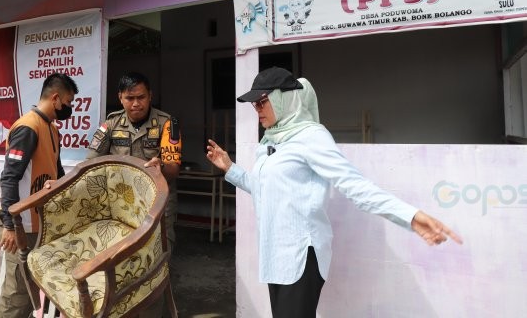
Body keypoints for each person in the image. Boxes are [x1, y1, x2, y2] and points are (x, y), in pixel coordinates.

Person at [205, 66, 462, 318]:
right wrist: (229, 168)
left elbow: (355, 185)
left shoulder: (311, 137)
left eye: (262, 102)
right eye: (254, 104)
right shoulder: (271, 140)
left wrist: (410, 216)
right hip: (275, 255)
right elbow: (266, 191)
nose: (257, 109)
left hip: (301, 255)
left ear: (284, 99)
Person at [86, 71, 181, 317]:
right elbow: (91, 162)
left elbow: (173, 170)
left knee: (156, 265)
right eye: (130, 98)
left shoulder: (167, 123)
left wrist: (162, 166)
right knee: (122, 263)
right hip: (122, 210)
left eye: (141, 97)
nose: (136, 103)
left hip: (157, 207)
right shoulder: (110, 124)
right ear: (120, 98)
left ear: (151, 96)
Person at [0, 72, 78, 318]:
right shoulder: (28, 128)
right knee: (16, 292)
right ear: (55, 98)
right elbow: (9, 178)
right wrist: (10, 225)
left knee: (30, 287)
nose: (69, 108)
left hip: (39, 223)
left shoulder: (52, 130)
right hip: (21, 224)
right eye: (68, 102)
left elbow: (57, 171)